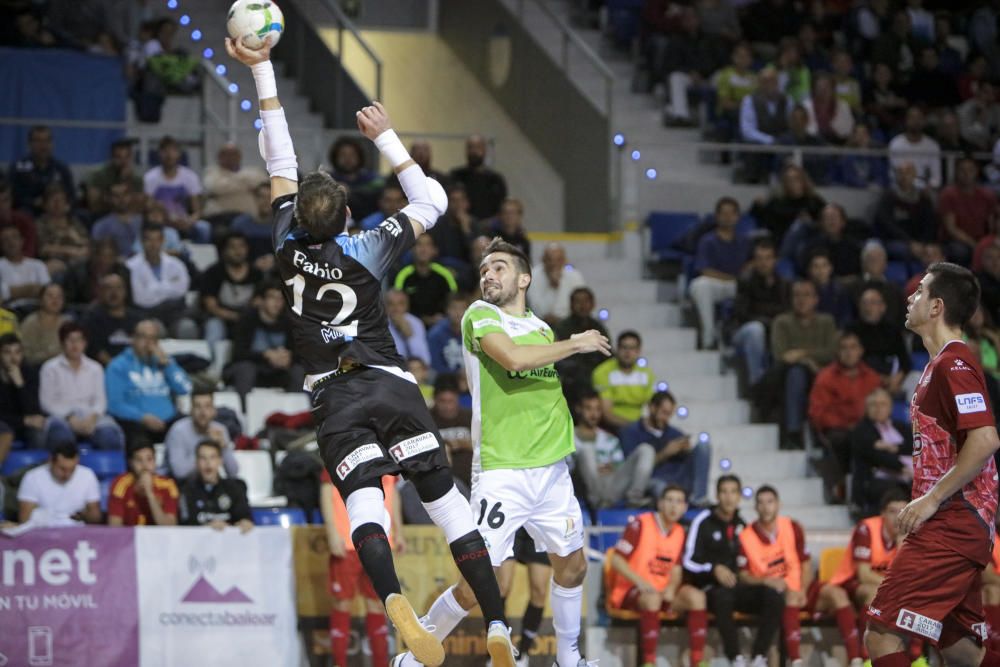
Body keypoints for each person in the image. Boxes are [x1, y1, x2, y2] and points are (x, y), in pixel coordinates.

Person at [226, 35, 514, 666]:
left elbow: (279, 152)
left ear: (297, 212)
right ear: (347, 214)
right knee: (447, 505)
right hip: (392, 384)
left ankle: (393, 600)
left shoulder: (282, 241)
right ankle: (496, 625)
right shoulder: (369, 246)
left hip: (335, 397)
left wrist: (263, 68)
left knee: (364, 506)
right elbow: (433, 201)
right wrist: (386, 137)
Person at [390, 237, 610, 667]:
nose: (488, 275)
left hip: (551, 471)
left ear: (524, 278)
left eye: (499, 268)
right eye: (484, 270)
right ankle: (414, 657)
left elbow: (542, 385)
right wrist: (575, 343)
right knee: (476, 584)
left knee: (574, 567)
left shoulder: (542, 329)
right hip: (502, 470)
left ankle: (570, 659)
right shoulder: (480, 314)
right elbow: (511, 359)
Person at [865, 262, 1000, 667]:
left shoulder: (953, 363)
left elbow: (985, 439)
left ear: (937, 306)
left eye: (920, 291)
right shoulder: (937, 364)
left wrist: (930, 500)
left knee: (881, 634)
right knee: (961, 650)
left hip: (953, 521)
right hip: (959, 523)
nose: (910, 297)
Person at [683, 475, 784, 666]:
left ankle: (759, 657)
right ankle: (735, 657)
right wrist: (713, 569)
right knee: (723, 596)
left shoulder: (742, 525)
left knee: (774, 596)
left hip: (739, 586)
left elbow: (750, 564)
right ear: (717, 495)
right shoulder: (703, 521)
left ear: (739, 496)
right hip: (710, 588)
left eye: (733, 492)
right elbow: (688, 561)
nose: (728, 497)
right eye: (724, 492)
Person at [606, 485, 708, 667]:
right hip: (632, 591)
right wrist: (641, 583)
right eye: (669, 500)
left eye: (679, 502)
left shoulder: (680, 532)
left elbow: (676, 570)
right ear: (660, 503)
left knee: (696, 597)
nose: (673, 506)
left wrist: (671, 588)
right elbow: (616, 560)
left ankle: (697, 660)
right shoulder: (640, 524)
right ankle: (649, 661)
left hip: (661, 592)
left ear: (685, 507)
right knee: (652, 598)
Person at [321, 467, 403, 667]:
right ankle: (339, 663)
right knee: (342, 603)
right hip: (347, 540)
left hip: (380, 542)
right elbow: (326, 491)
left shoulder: (386, 454)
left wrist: (398, 530)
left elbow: (393, 493)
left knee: (378, 605)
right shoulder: (341, 446)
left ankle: (381, 664)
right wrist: (332, 531)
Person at [820, 489, 911, 667]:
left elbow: (908, 578)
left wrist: (902, 546)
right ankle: (865, 657)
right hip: (851, 583)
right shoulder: (866, 528)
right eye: (892, 511)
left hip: (886, 589)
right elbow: (863, 574)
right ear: (882, 513)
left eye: (902, 511)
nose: (897, 517)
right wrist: (893, 587)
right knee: (873, 593)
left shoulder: (909, 535)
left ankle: (913, 657)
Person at [738, 486, 812, 667]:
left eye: (770, 502)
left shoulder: (793, 527)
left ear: (779, 504)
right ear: (755, 507)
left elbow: (806, 564)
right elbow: (743, 575)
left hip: (799, 588)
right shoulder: (745, 536)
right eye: (761, 503)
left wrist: (803, 589)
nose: (765, 507)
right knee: (781, 599)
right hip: (767, 595)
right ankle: (794, 659)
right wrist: (766, 581)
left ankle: (858, 658)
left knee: (834, 595)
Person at [808, 332, 884, 501]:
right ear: (838, 352)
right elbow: (818, 413)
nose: (849, 352)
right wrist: (844, 425)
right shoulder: (825, 378)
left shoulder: (872, 377)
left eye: (853, 347)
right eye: (844, 348)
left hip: (868, 428)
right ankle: (844, 488)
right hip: (839, 431)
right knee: (844, 441)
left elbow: (882, 405)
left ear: (861, 351)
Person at [764, 280, 838, 448]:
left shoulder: (827, 321)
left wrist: (802, 353)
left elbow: (832, 352)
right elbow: (782, 356)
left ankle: (826, 433)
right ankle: (793, 433)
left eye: (806, 295)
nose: (801, 300)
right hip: (787, 377)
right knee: (796, 373)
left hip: (823, 373)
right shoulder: (781, 322)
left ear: (816, 299)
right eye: (796, 295)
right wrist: (809, 363)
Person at [106, 319, 192, 448]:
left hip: (168, 421)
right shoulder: (118, 366)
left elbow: (185, 388)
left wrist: (168, 365)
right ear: (133, 339)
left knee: (189, 426)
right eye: (143, 337)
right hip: (136, 423)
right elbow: (114, 405)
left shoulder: (164, 362)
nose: (148, 344)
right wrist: (142, 417)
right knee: (134, 434)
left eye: (153, 339)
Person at [39, 322, 124, 451]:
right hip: (62, 418)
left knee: (110, 436)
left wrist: (93, 417)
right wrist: (70, 417)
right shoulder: (50, 368)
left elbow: (100, 400)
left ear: (85, 343)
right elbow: (47, 403)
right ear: (62, 343)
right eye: (70, 340)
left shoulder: (95, 368)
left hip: (91, 418)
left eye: (79, 340)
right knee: (60, 436)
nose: (75, 345)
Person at [619, 391, 712, 506]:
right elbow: (632, 469)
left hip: (679, 479)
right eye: (664, 413)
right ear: (652, 408)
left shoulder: (675, 433)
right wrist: (665, 453)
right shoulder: (631, 431)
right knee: (661, 488)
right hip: (653, 480)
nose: (666, 418)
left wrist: (686, 452)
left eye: (669, 414)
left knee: (703, 446)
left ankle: (699, 499)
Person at [573, 389, 654, 509]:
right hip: (582, 487)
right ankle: (596, 501)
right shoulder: (568, 436)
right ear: (579, 409)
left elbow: (618, 466)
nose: (594, 414)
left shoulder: (610, 439)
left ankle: (635, 498)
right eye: (588, 408)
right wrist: (592, 467)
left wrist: (613, 467)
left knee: (646, 449)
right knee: (586, 450)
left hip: (610, 488)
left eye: (598, 409)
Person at [224, 279, 304, 400]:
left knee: (299, 371)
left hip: (278, 371)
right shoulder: (247, 320)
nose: (277, 303)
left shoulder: (289, 322)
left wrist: (289, 358)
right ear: (260, 300)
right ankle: (245, 412)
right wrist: (266, 355)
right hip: (253, 368)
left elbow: (300, 353)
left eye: (280, 298)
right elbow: (238, 353)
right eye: (272, 297)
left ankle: (295, 414)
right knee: (245, 369)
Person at [688, 197, 750, 349]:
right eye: (724, 214)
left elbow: (755, 261)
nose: (728, 217)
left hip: (738, 286)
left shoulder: (744, 241)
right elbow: (704, 269)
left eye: (731, 214)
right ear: (717, 216)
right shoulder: (707, 240)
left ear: (737, 217)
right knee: (700, 285)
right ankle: (708, 336)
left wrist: (749, 268)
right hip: (717, 284)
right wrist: (732, 278)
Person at [730, 239, 791, 387]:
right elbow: (742, 314)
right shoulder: (745, 281)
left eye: (768, 258)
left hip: (774, 329)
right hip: (744, 331)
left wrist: (764, 313)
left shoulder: (784, 284)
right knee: (755, 329)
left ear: (775, 260)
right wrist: (768, 317)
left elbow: (787, 311)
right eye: (759, 258)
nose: (764, 263)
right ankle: (756, 383)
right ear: (754, 261)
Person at [850, 388, 913, 516]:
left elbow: (914, 446)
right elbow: (877, 456)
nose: (878, 408)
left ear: (890, 407)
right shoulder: (862, 430)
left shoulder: (900, 426)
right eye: (874, 404)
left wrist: (893, 448)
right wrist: (902, 468)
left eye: (883, 404)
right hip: (874, 480)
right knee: (896, 493)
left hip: (909, 476)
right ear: (867, 408)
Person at [125, 223, 195, 337]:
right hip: (147, 315)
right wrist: (168, 289)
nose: (153, 244)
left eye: (157, 240)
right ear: (142, 242)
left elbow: (181, 291)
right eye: (149, 240)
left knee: (187, 327)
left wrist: (154, 290)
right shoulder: (130, 267)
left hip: (176, 314)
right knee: (155, 330)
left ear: (163, 241)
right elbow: (141, 299)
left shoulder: (177, 264)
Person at [143, 135, 210, 242]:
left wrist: (189, 221)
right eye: (165, 151)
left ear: (179, 154)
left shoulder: (190, 176)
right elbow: (148, 208)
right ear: (159, 154)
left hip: (184, 221)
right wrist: (165, 220)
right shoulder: (150, 177)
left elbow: (197, 211)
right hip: (162, 222)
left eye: (173, 151)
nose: (169, 155)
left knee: (204, 228)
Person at [16, 442, 101, 526]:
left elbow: (95, 519)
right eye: (62, 469)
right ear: (50, 461)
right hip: (43, 531)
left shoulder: (88, 475)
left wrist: (85, 515)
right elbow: (24, 519)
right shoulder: (32, 477)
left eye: (72, 470)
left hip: (77, 532)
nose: (67, 474)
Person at [200, 231, 262, 344]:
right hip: (220, 318)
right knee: (214, 327)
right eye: (232, 247)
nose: (238, 251)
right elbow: (211, 306)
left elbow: (259, 302)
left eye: (242, 246)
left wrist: (245, 318)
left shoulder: (257, 274)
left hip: (249, 319)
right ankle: (212, 360)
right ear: (224, 251)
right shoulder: (213, 273)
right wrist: (235, 317)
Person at [178, 440, 252, 531]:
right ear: (196, 462)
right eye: (203, 458)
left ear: (220, 461)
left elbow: (244, 516)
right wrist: (207, 527)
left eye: (212, 457)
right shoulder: (186, 490)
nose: (208, 463)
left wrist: (245, 522)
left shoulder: (235, 488)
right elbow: (185, 525)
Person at [939, 157, 1000, 267]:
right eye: (962, 170)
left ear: (977, 172)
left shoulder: (988, 195)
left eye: (970, 170)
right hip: (956, 241)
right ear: (956, 172)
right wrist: (974, 244)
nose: (966, 174)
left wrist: (989, 241)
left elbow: (993, 223)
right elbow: (951, 228)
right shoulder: (948, 195)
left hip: (982, 239)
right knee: (961, 252)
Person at [164, 390, 238, 480]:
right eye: (198, 406)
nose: (203, 412)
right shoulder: (178, 431)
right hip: (175, 484)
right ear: (191, 410)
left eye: (207, 406)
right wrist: (204, 448)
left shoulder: (220, 430)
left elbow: (233, 472)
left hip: (204, 484)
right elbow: (179, 472)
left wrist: (223, 447)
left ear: (213, 410)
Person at [846, 288, 910, 391]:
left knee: (915, 378)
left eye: (873, 303)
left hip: (891, 377)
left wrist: (896, 378)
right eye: (864, 303)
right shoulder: (851, 330)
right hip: (862, 378)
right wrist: (876, 378)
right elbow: (850, 359)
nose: (868, 307)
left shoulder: (893, 330)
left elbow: (904, 361)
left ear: (883, 307)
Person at [592, 331, 656, 431]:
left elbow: (652, 408)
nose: (628, 352)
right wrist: (635, 428)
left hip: (640, 427)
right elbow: (607, 414)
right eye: (624, 347)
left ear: (639, 351)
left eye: (632, 348)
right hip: (612, 428)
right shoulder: (602, 372)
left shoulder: (647, 374)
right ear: (617, 349)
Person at [108, 442, 179, 526]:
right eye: (139, 460)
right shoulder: (120, 484)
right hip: (129, 538)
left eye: (149, 459)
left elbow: (170, 528)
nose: (145, 465)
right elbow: (114, 528)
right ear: (131, 463)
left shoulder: (168, 485)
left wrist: (150, 493)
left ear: (155, 461)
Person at [393, 234, 458, 326]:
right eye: (419, 244)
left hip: (441, 325)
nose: (423, 249)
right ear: (412, 250)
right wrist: (424, 320)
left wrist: (442, 318)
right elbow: (397, 306)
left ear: (434, 250)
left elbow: (455, 303)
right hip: (411, 326)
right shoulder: (403, 276)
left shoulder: (444, 274)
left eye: (428, 245)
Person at [8, 125, 74, 215]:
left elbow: (71, 195)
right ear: (29, 144)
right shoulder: (18, 168)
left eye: (47, 141)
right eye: (38, 141)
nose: (43, 146)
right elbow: (11, 196)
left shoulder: (61, 168)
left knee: (80, 215)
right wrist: (33, 202)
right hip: (30, 211)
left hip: (56, 210)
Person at [80, 273, 140, 365]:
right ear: (101, 292)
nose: (114, 292)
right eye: (108, 288)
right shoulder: (92, 319)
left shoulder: (137, 319)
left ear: (125, 292)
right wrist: (115, 369)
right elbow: (96, 351)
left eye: (118, 288)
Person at [0, 333, 44, 448]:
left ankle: (36, 465)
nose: (13, 358)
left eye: (17, 352)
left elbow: (34, 411)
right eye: (7, 352)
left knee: (38, 430)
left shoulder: (30, 374)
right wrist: (23, 420)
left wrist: (20, 385)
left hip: (23, 427)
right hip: (4, 425)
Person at [448, 135, 507, 220]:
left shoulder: (496, 180)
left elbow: (502, 208)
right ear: (466, 151)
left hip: (488, 228)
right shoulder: (455, 176)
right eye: (471, 147)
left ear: (485, 150)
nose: (474, 151)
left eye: (478, 147)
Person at [202, 143, 267, 218]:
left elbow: (264, 184)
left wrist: (231, 183)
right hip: (222, 217)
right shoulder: (211, 172)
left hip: (251, 217)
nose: (231, 157)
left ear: (240, 156)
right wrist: (247, 185)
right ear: (219, 156)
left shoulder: (253, 171)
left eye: (234, 154)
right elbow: (216, 187)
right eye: (227, 154)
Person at [528, 243, 586, 325]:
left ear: (565, 260)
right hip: (539, 324)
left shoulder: (575, 276)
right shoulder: (533, 276)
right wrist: (552, 287)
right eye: (550, 259)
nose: (553, 264)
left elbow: (580, 305)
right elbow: (536, 309)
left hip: (569, 324)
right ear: (543, 260)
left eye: (558, 260)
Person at [85, 138, 143, 216]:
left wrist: (127, 181)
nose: (124, 161)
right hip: (102, 216)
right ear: (112, 158)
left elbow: (137, 206)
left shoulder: (136, 179)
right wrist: (111, 194)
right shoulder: (98, 175)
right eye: (119, 157)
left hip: (129, 218)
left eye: (127, 157)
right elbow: (94, 205)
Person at [888, 107, 941, 190]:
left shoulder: (932, 146)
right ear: (906, 121)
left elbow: (936, 178)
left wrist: (928, 188)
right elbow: (894, 174)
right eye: (912, 118)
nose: (916, 121)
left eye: (919, 118)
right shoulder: (896, 144)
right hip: (901, 189)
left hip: (925, 191)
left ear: (924, 121)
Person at [18, 282, 70, 366]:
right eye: (50, 296)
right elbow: (25, 354)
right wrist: (50, 354)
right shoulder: (30, 323)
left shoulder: (67, 323)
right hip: (36, 369)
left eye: (59, 296)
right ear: (41, 299)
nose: (55, 300)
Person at [91, 180, 145, 257]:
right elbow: (96, 252)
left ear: (131, 196)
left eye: (125, 194)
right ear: (109, 198)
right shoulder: (101, 226)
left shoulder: (143, 220)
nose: (121, 199)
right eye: (116, 196)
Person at [0, 225, 49, 308]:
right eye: (6, 239)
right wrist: (30, 289)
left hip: (37, 309)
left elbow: (46, 291)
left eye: (14, 237)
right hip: (9, 310)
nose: (11, 242)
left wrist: (12, 292)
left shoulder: (38, 264)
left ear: (22, 241)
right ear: (1, 245)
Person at [385, 288, 431, 367]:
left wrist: (410, 336)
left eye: (401, 304)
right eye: (391, 304)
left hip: (411, 371)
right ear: (384, 306)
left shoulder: (416, 323)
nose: (396, 308)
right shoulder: (379, 324)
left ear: (407, 306)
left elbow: (424, 360)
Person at [428, 293, 469, 376]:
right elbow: (435, 365)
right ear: (447, 310)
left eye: (462, 308)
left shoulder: (475, 332)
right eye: (454, 308)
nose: (458, 313)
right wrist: (457, 374)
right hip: (444, 380)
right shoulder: (435, 334)